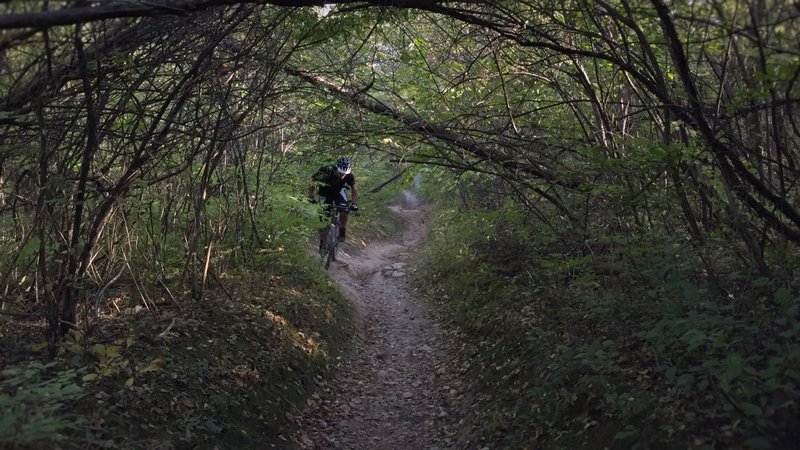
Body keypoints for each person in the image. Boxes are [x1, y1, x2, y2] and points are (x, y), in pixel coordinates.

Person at [309, 156, 359, 242]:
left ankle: (342, 229)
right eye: (340, 173)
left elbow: (353, 188)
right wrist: (311, 197)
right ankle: (323, 242)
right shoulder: (325, 171)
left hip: (338, 192)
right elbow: (312, 183)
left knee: (345, 210)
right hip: (325, 193)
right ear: (336, 168)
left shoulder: (349, 175)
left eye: (344, 174)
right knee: (323, 219)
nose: (342, 176)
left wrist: (354, 203)